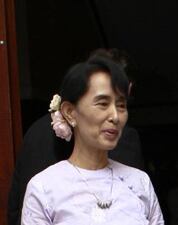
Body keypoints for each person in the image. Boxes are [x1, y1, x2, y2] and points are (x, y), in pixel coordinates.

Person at [7, 49, 145, 225]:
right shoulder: (41, 186)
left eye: (121, 104)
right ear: (70, 112)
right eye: (103, 102)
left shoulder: (141, 183)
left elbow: (13, 211)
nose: (115, 117)